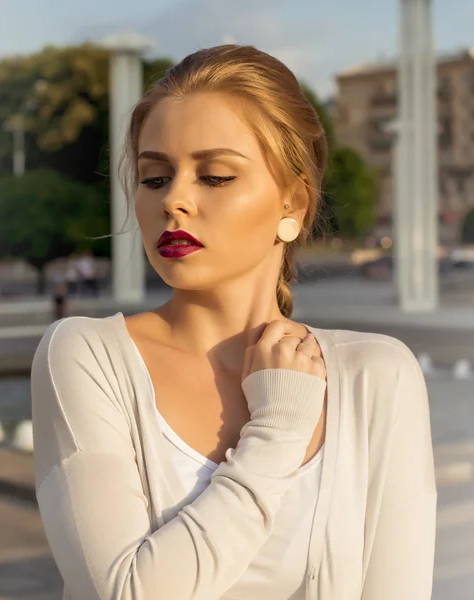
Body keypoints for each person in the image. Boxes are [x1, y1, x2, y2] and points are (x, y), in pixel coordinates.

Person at [31, 45, 436, 600]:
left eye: (215, 176)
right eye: (154, 178)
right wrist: (278, 429)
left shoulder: (377, 377)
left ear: (293, 201)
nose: (175, 200)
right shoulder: (87, 355)